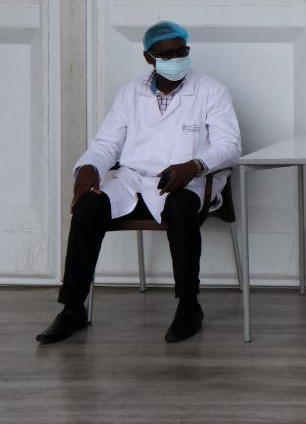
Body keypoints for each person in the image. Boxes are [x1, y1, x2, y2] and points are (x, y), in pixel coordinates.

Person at [36, 20, 242, 344]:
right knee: (88, 207)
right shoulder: (129, 93)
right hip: (132, 181)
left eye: (182, 51)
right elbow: (106, 144)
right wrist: (88, 169)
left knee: (179, 209)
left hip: (188, 181)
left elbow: (230, 145)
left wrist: (194, 164)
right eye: (167, 54)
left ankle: (189, 306)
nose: (176, 59)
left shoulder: (211, 91)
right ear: (149, 58)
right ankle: (73, 308)